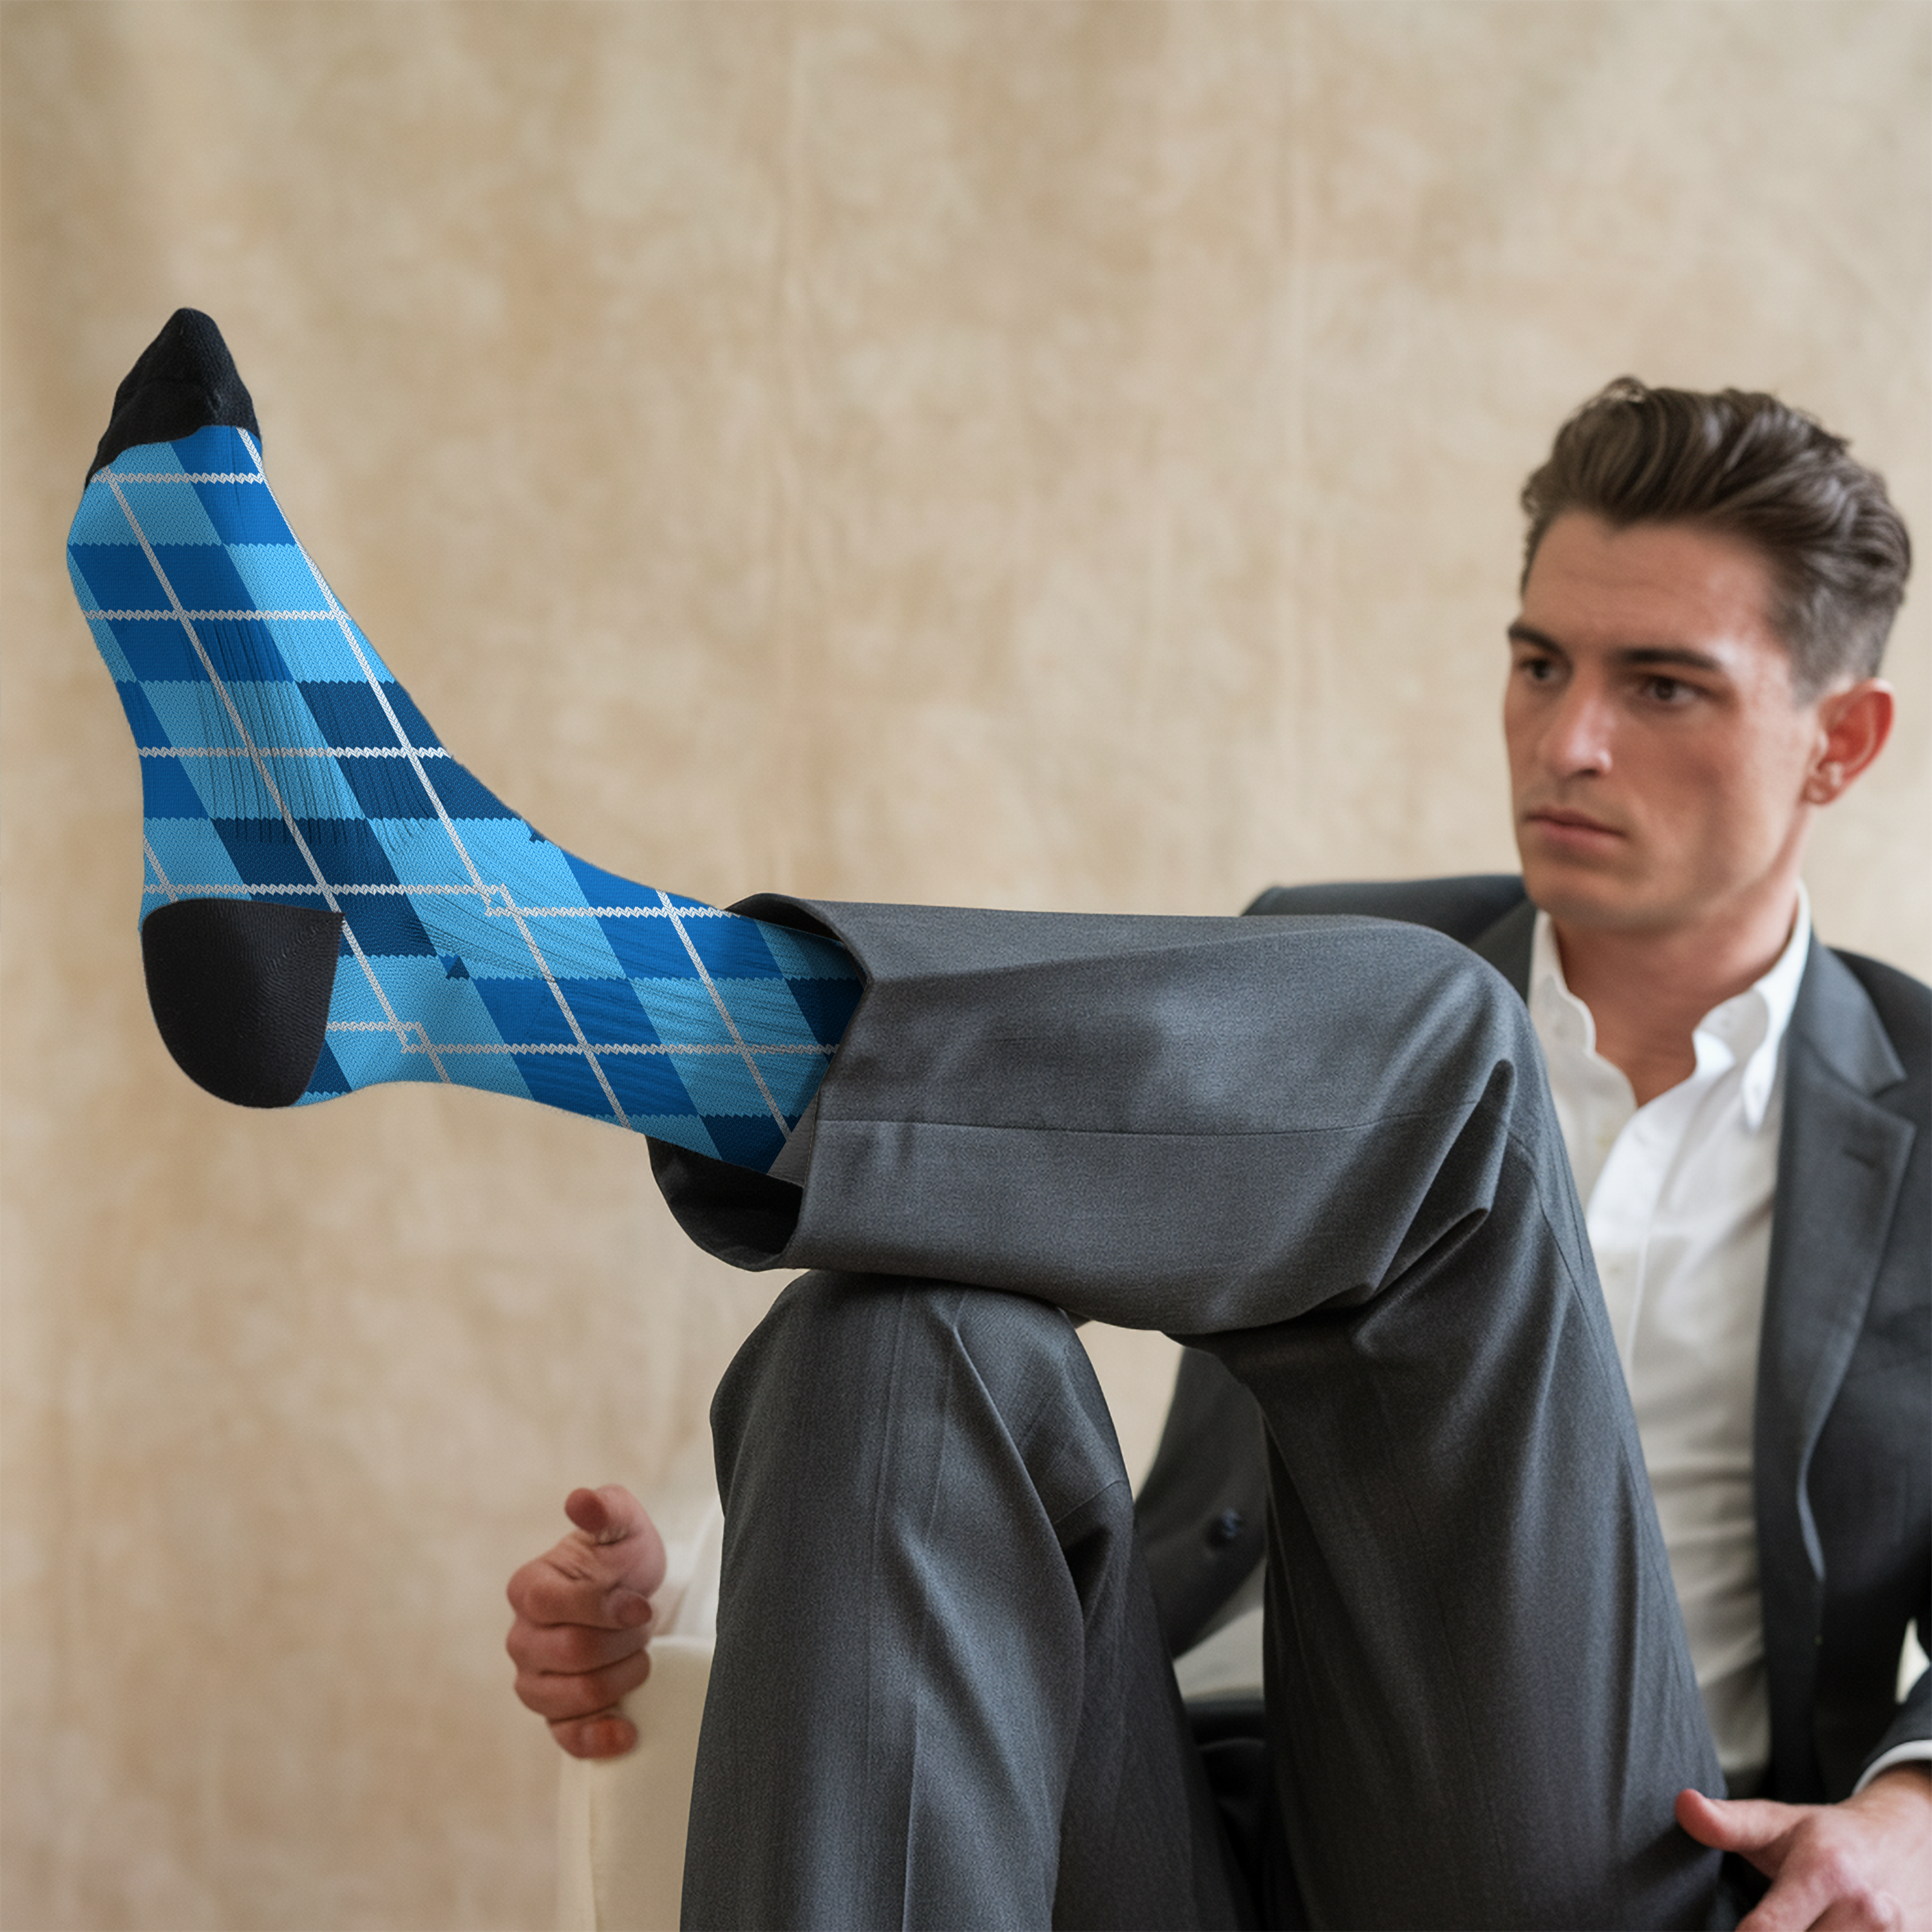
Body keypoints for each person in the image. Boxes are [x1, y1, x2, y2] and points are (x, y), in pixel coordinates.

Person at [505, 383, 1930, 1929]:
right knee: (901, 1340)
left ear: (1838, 743)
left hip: (1596, 1867)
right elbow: (945, 1242)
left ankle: (575, 998)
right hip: (1163, 1823)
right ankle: (585, 1001)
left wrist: (1923, 1807)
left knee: (1444, 1054)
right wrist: (717, 1589)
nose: (1566, 741)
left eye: (1662, 688)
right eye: (1538, 663)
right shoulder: (1322, 978)